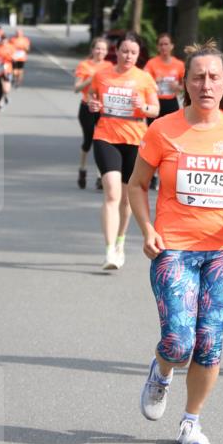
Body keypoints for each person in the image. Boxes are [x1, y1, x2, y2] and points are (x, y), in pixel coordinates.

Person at [128, 41, 223, 444]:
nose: (206, 84)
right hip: (175, 248)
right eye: (198, 77)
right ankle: (162, 372)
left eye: (214, 77)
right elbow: (137, 185)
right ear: (185, 83)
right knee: (178, 342)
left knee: (210, 339)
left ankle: (191, 422)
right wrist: (146, 229)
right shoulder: (163, 129)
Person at [87, 31, 159, 269]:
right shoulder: (102, 75)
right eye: (125, 51)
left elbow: (155, 110)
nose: (128, 56)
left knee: (127, 200)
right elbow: (92, 98)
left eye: (133, 52)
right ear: (116, 52)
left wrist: (143, 106)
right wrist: (93, 104)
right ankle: (109, 251)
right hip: (105, 137)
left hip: (135, 141)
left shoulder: (144, 78)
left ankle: (120, 240)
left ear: (138, 55)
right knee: (112, 193)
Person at [144, 33, 185, 189]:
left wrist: (178, 87)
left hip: (171, 102)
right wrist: (155, 82)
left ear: (172, 46)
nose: (163, 47)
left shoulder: (179, 65)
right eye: (161, 44)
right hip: (155, 103)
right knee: (153, 138)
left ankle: (167, 173)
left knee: (170, 139)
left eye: (166, 44)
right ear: (157, 47)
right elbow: (144, 81)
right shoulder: (152, 63)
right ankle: (153, 175)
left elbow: (187, 85)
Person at [72, 36, 112, 189]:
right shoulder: (84, 65)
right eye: (97, 48)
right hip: (87, 107)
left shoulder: (110, 66)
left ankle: (100, 176)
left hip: (103, 109)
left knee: (101, 141)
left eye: (103, 49)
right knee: (88, 140)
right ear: (93, 50)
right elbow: (76, 88)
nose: (100, 51)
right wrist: (91, 80)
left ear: (107, 52)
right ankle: (82, 169)